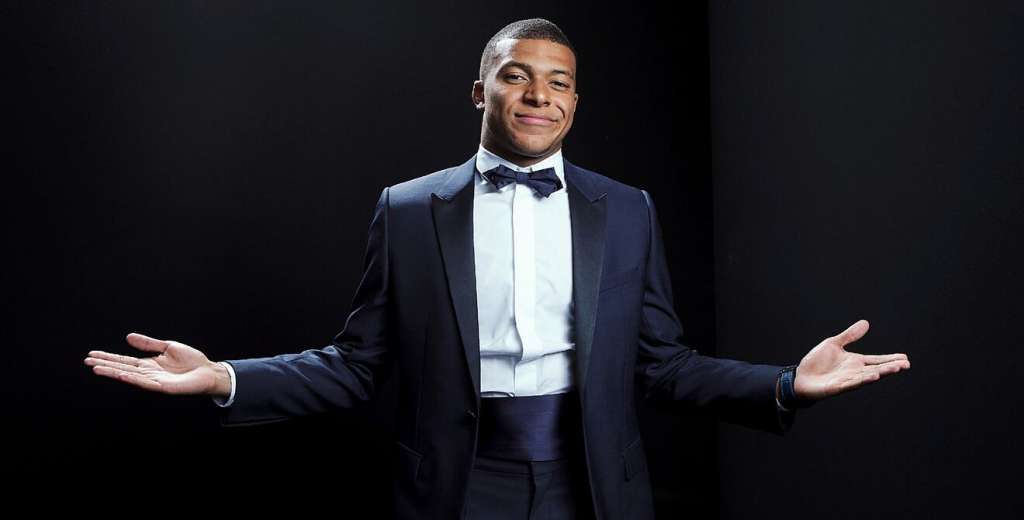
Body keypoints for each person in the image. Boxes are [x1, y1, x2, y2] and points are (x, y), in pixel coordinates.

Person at [84, 18, 911, 519]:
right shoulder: (408, 209)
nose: (539, 94)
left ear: (575, 104)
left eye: (559, 83)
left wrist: (784, 385)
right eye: (517, 76)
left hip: (593, 483)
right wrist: (225, 378)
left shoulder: (628, 209)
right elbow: (356, 363)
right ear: (480, 91)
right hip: (453, 484)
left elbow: (662, 365)